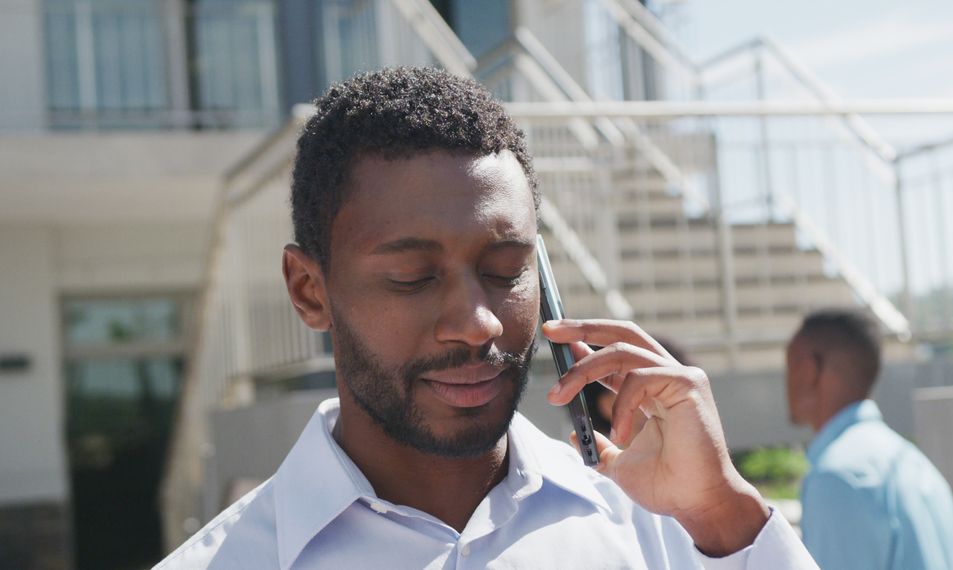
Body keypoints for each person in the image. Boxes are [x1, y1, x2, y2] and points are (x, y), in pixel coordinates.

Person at [156, 67, 816, 569]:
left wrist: (722, 511)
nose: (479, 324)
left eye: (505, 270)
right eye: (413, 277)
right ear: (308, 290)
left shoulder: (666, 531)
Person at [785, 309, 953, 570]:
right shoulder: (916, 463)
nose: (787, 381)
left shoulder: (837, 476)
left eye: (790, 366)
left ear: (809, 370)